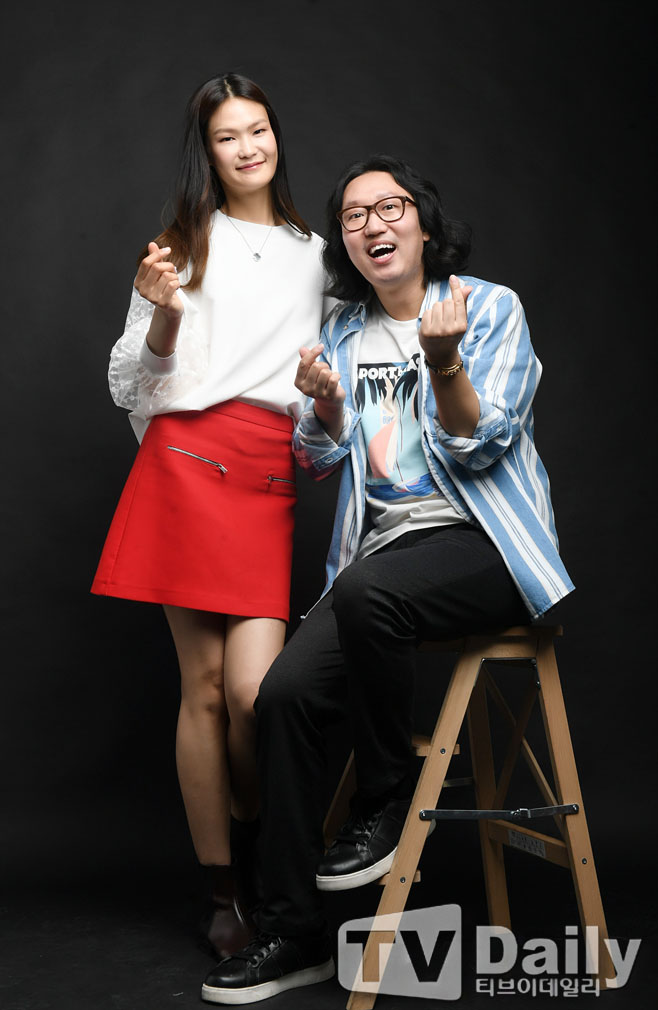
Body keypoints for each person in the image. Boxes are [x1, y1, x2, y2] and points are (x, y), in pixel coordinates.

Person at [200, 154, 575, 1004]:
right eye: (353, 216)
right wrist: (328, 411)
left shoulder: (486, 308)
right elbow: (321, 457)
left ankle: (387, 795)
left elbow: (481, 444)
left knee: (371, 592)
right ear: (346, 244)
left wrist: (443, 364)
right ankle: (293, 931)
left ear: (424, 225)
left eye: (390, 206)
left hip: (486, 546)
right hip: (384, 564)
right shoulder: (342, 332)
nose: (373, 223)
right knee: (282, 697)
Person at [91, 73, 327, 959]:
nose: (247, 148)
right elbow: (133, 382)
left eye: (258, 129)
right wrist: (161, 316)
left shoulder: (320, 256)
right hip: (185, 461)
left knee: (253, 695)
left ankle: (260, 848)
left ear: (276, 136)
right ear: (209, 150)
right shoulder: (182, 243)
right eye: (228, 136)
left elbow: (336, 373)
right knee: (201, 688)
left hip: (265, 469)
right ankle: (225, 894)